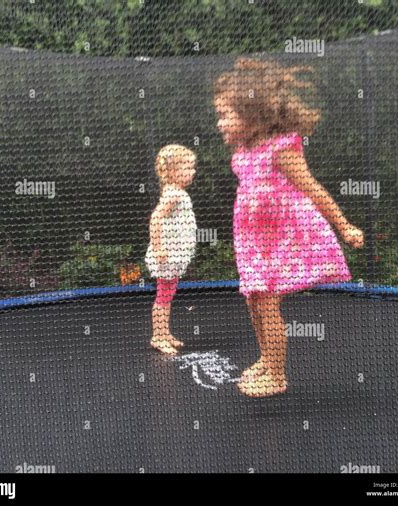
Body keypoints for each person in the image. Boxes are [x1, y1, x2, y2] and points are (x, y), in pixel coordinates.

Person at [213, 57, 364, 397]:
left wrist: (344, 226)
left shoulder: (281, 149)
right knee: (253, 300)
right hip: (251, 238)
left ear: (254, 114)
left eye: (225, 115)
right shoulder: (242, 150)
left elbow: (312, 188)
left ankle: (277, 377)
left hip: (281, 238)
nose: (220, 123)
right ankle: (266, 359)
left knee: (266, 302)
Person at [145, 144, 197, 356]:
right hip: (167, 256)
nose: (193, 172)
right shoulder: (173, 194)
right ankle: (158, 337)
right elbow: (156, 218)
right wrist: (158, 249)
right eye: (188, 167)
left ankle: (164, 333)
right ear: (173, 171)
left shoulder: (177, 192)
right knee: (163, 297)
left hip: (174, 255)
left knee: (167, 295)